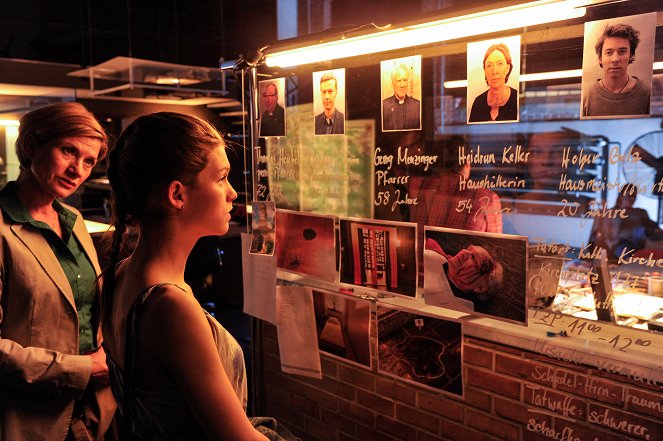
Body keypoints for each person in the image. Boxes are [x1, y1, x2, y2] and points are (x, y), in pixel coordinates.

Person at [102, 112, 297, 440]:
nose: (233, 193)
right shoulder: (169, 306)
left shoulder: (121, 273)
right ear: (177, 195)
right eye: (221, 178)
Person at [0, 102, 115, 441]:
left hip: (90, 415)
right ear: (34, 146)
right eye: (69, 151)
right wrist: (83, 369)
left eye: (89, 161)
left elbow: (89, 310)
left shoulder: (74, 220)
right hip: (26, 420)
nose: (77, 169)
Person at [582, 23, 650, 117]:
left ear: (631, 56)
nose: (615, 59)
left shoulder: (645, 93)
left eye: (622, 52)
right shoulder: (588, 96)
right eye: (609, 52)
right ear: (600, 58)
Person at [423, 238, 503, 313]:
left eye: (473, 258)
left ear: (480, 287)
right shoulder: (432, 247)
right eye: (468, 249)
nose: (463, 252)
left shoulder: (453, 311)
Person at [590, 184, 663, 260]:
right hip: (621, 244)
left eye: (634, 196)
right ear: (622, 196)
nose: (632, 198)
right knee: (627, 248)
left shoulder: (641, 212)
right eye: (630, 195)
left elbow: (652, 228)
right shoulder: (612, 213)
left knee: (643, 231)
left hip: (641, 241)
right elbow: (607, 235)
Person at [468, 42, 518, 123]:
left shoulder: (517, 98)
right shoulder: (478, 102)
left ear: (508, 68)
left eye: (500, 64)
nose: (494, 71)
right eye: (489, 65)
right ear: (485, 70)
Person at [382, 63, 421, 130]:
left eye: (405, 80)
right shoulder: (383, 106)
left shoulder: (418, 106)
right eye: (399, 81)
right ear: (393, 83)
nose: (402, 85)